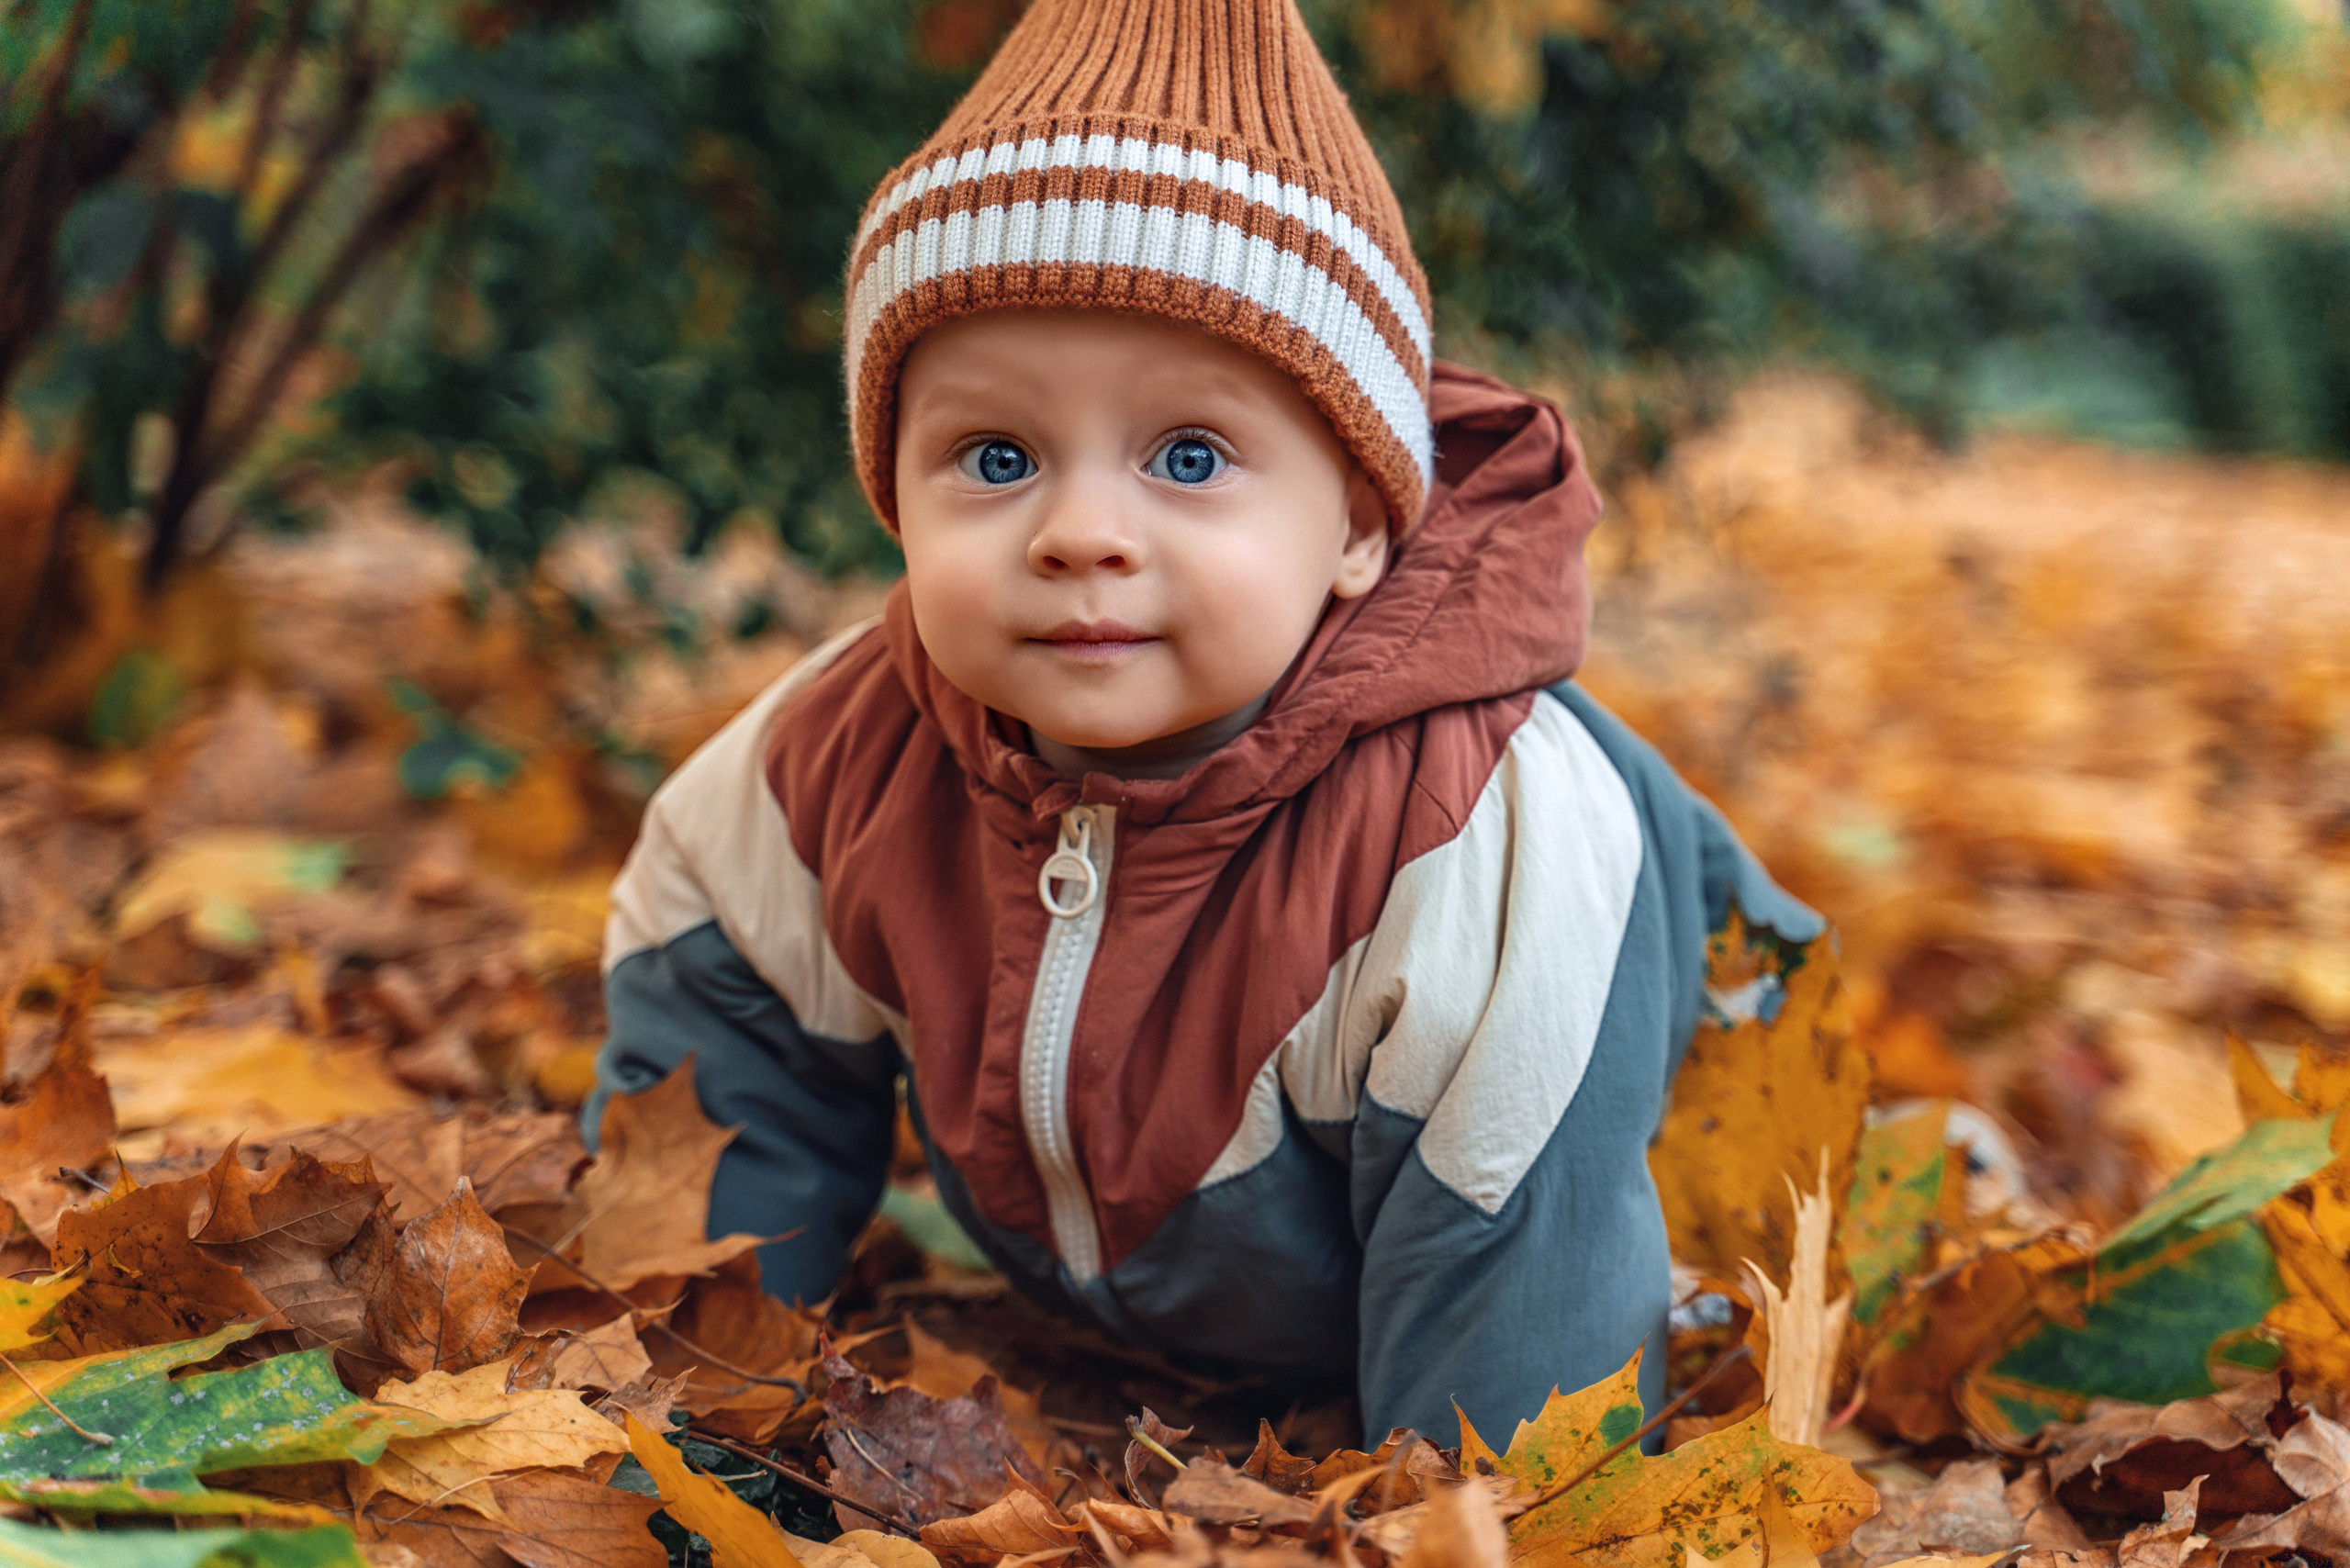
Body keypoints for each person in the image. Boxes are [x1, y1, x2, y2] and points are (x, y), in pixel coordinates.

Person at [586, 0, 1818, 1447]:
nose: (1082, 532)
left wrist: (1476, 1512)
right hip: (1179, 1289)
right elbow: (726, 1031)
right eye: (996, 457)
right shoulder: (830, 766)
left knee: (1686, 1255)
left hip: (1659, 1199)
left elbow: (1520, 1230)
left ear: (1358, 522)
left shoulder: (1478, 842)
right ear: (893, 493)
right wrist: (690, 1397)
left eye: (1188, 456)